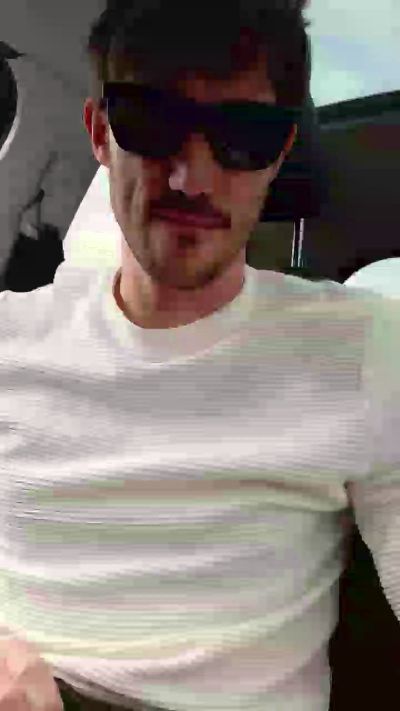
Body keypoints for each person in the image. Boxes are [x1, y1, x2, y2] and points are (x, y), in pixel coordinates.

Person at [1, 1, 400, 710]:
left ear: (280, 152)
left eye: (243, 137)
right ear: (100, 133)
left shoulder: (365, 348)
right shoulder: (10, 336)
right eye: (153, 124)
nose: (192, 177)